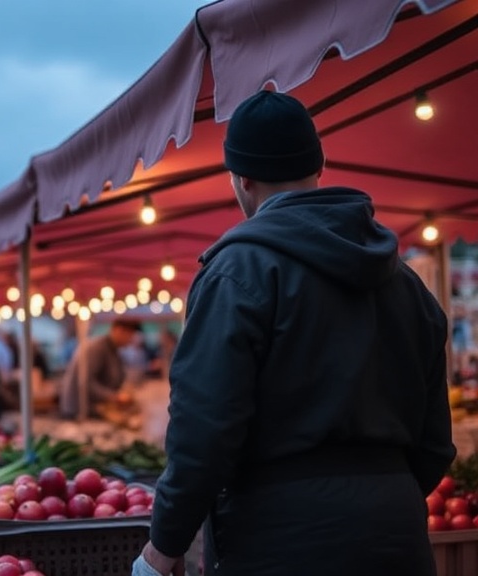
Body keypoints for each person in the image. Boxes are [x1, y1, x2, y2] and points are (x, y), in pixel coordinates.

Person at [135, 91, 455, 576]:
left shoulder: (238, 271)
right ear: (319, 165)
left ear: (242, 179)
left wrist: (164, 545)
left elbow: (204, 430)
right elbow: (435, 443)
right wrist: (378, 497)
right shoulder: (407, 283)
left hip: (278, 539)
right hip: (398, 533)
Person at [58, 318, 142, 419]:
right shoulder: (98, 348)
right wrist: (115, 397)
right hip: (80, 411)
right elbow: (85, 382)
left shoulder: (113, 350)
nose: (131, 340)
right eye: (131, 335)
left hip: (93, 409)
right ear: (119, 330)